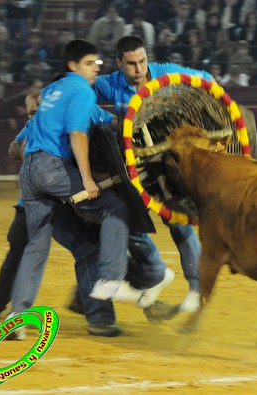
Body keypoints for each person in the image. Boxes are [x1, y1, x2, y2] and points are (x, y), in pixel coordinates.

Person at [7, 39, 174, 335]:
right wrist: (85, 177)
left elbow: (17, 147)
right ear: (73, 66)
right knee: (115, 208)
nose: (96, 69)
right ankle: (110, 279)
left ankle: (17, 317)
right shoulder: (81, 90)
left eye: (97, 64)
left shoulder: (50, 94)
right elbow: (78, 134)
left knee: (37, 247)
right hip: (53, 171)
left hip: (29, 178)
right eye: (89, 64)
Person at [92, 35, 213, 312]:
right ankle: (157, 272)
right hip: (139, 165)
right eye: (132, 64)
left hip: (171, 162)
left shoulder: (167, 73)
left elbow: (207, 79)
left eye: (143, 61)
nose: (139, 69)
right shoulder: (111, 83)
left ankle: (197, 288)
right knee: (125, 220)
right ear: (120, 63)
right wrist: (105, 118)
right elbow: (81, 95)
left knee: (178, 222)